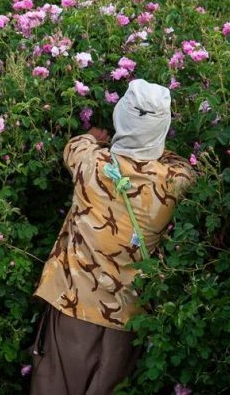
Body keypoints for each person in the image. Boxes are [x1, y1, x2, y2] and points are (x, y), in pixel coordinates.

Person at [29, 78, 197, 395]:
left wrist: (95, 136)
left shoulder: (90, 163)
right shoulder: (175, 180)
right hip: (129, 315)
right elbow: (181, 164)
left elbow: (76, 144)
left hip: (74, 303)